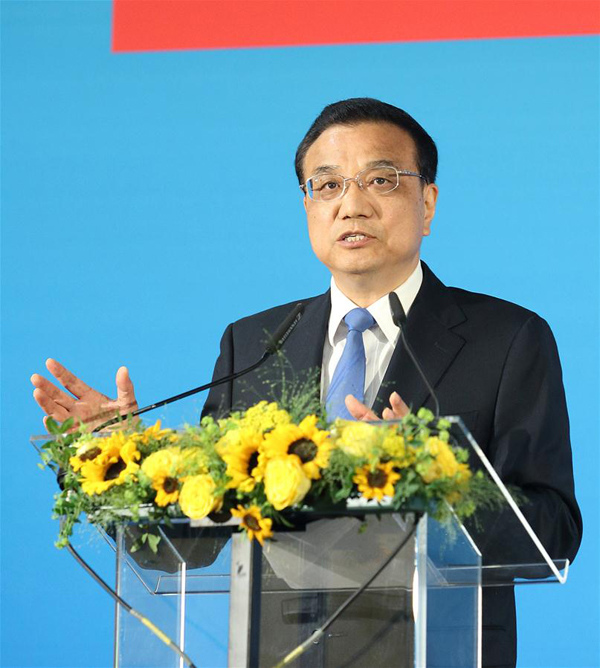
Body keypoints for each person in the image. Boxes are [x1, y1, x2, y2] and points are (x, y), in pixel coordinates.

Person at [31, 98, 582, 667]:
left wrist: (434, 481)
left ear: (428, 203)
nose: (351, 206)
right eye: (326, 186)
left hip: (437, 649)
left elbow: (554, 535)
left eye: (380, 180)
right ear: (307, 206)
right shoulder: (252, 344)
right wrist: (117, 460)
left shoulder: (508, 338)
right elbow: (192, 548)